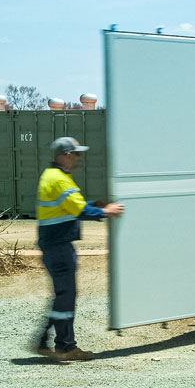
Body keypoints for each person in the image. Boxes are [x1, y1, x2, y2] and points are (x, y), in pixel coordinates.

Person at [35, 137, 123, 361]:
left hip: (55, 245)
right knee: (65, 297)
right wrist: (106, 211)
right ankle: (62, 346)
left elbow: (73, 206)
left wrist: (96, 205)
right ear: (66, 155)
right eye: (76, 154)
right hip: (59, 246)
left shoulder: (53, 176)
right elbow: (78, 210)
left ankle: (49, 342)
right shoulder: (59, 179)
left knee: (63, 296)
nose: (78, 158)